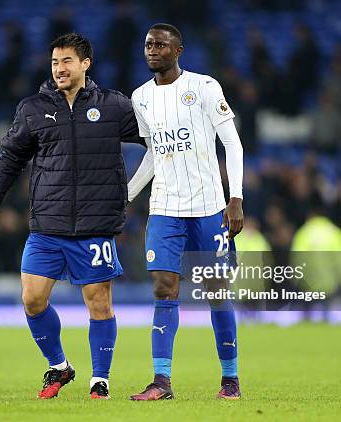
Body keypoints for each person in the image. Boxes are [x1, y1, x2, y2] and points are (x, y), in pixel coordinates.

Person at [0, 33, 143, 400]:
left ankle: (100, 378)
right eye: (55, 62)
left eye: (67, 61)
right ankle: (59, 366)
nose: (59, 69)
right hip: (47, 225)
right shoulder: (34, 108)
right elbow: (10, 157)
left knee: (99, 304)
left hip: (95, 225)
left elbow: (155, 139)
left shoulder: (114, 106)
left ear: (86, 63)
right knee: (32, 299)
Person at [127, 24, 244, 400]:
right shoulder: (140, 97)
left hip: (209, 207)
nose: (152, 50)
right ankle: (161, 382)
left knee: (215, 291)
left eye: (160, 44)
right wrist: (127, 195)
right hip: (164, 208)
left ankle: (230, 379)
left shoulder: (205, 87)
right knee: (164, 288)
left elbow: (233, 144)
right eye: (148, 45)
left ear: (179, 50)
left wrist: (236, 198)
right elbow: (153, 154)